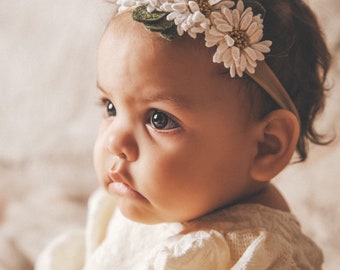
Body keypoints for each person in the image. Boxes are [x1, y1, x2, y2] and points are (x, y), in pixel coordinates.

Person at [35, 0, 332, 269]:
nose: (114, 141)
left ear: (266, 146)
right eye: (110, 107)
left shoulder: (255, 256)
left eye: (159, 119)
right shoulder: (161, 198)